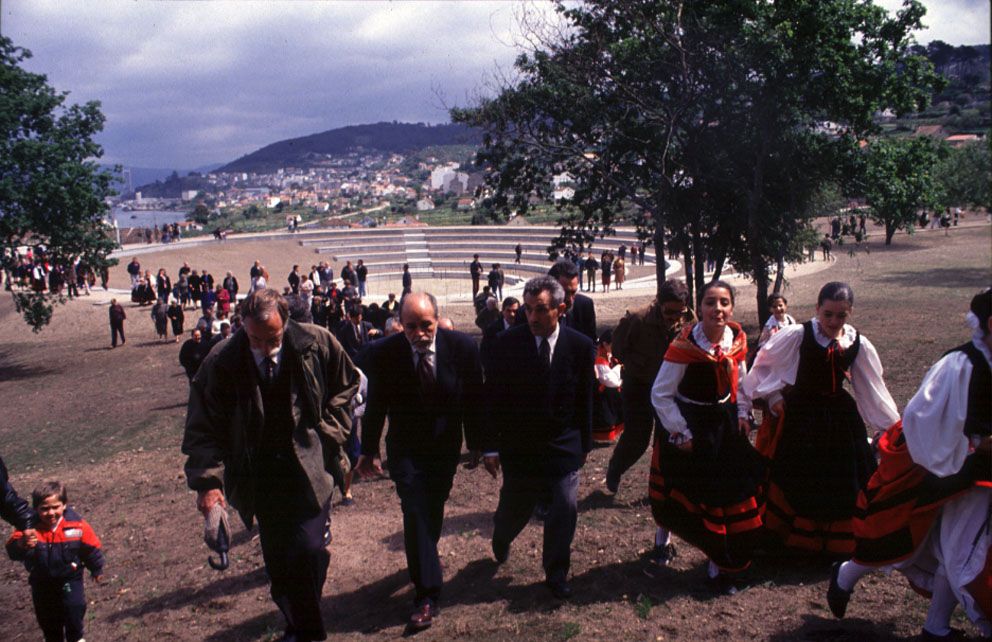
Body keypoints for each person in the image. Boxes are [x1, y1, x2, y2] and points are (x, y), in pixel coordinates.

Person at [182, 289, 360, 642]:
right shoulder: (221, 362)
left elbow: (347, 384)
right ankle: (298, 619)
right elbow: (202, 428)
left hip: (312, 470)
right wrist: (208, 484)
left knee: (309, 550)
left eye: (273, 339)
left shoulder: (316, 342)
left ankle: (308, 632)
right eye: (256, 340)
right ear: (242, 327)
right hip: (259, 477)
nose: (266, 348)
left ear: (286, 322)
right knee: (280, 562)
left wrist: (328, 432)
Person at [827, 290, 991, 639]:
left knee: (953, 546)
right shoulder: (959, 365)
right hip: (942, 465)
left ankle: (935, 626)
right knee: (902, 534)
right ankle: (846, 575)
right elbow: (921, 418)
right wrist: (973, 445)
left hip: (976, 474)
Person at [740, 282, 900, 556]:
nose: (834, 321)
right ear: (817, 309)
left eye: (841, 315)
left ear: (849, 313)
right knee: (800, 476)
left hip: (840, 417)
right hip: (802, 416)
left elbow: (871, 388)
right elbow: (763, 367)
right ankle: (795, 543)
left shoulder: (854, 341)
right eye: (828, 314)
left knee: (842, 477)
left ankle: (835, 544)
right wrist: (773, 396)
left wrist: (893, 426)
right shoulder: (798, 335)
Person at [357, 292, 484, 631]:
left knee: (433, 509)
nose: (418, 333)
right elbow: (376, 406)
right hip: (406, 449)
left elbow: (474, 400)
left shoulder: (462, 348)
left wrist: (481, 445)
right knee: (414, 510)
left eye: (426, 325)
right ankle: (427, 595)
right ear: (401, 325)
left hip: (444, 448)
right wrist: (368, 451)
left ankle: (425, 557)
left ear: (437, 321)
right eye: (410, 326)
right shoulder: (385, 354)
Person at [484, 276, 595, 600]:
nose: (532, 317)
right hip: (521, 446)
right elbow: (493, 398)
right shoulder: (507, 345)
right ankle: (501, 537)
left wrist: (584, 444)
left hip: (564, 444)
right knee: (515, 509)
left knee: (564, 505)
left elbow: (584, 399)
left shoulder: (579, 346)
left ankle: (556, 571)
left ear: (560, 309)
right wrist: (491, 445)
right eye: (528, 309)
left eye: (541, 310)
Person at [649, 280, 763, 594]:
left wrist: (743, 413)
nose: (718, 309)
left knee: (722, 496)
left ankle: (718, 567)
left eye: (724, 303)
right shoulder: (684, 345)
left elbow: (741, 380)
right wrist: (679, 431)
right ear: (699, 308)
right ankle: (663, 537)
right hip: (690, 423)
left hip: (722, 425)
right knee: (677, 487)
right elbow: (660, 394)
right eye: (711, 303)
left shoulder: (736, 341)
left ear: (732, 308)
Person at [606, 280, 694, 496]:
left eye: (679, 312)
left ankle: (663, 485)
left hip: (670, 389)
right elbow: (618, 347)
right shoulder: (638, 318)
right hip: (639, 386)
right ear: (659, 303)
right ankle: (616, 468)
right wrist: (639, 364)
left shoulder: (690, 320)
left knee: (670, 438)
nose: (674, 318)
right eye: (669, 311)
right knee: (637, 438)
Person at [6, 480, 104, 642]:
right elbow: (12, 551)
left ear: (64, 505)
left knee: (74, 608)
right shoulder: (29, 527)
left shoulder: (76, 525)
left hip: (69, 577)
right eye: (44, 509)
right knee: (47, 618)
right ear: (36, 508)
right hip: (41, 581)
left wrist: (97, 568)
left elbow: (91, 548)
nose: (50, 513)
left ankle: (76, 637)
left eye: (55, 507)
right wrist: (21, 543)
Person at [593, 330, 624, 444]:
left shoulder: (607, 354)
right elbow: (607, 379)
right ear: (605, 344)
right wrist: (619, 371)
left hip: (609, 391)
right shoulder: (599, 359)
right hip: (602, 393)